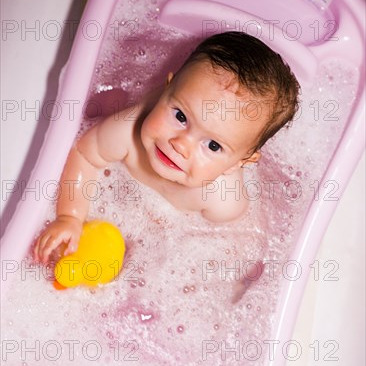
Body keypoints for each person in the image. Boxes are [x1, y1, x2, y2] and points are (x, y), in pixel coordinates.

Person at [34, 31, 299, 263]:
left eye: (213, 145)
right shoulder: (127, 130)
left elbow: (235, 242)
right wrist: (70, 216)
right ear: (167, 86)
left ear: (241, 162)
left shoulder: (224, 199)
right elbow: (85, 154)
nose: (181, 145)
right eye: (180, 116)